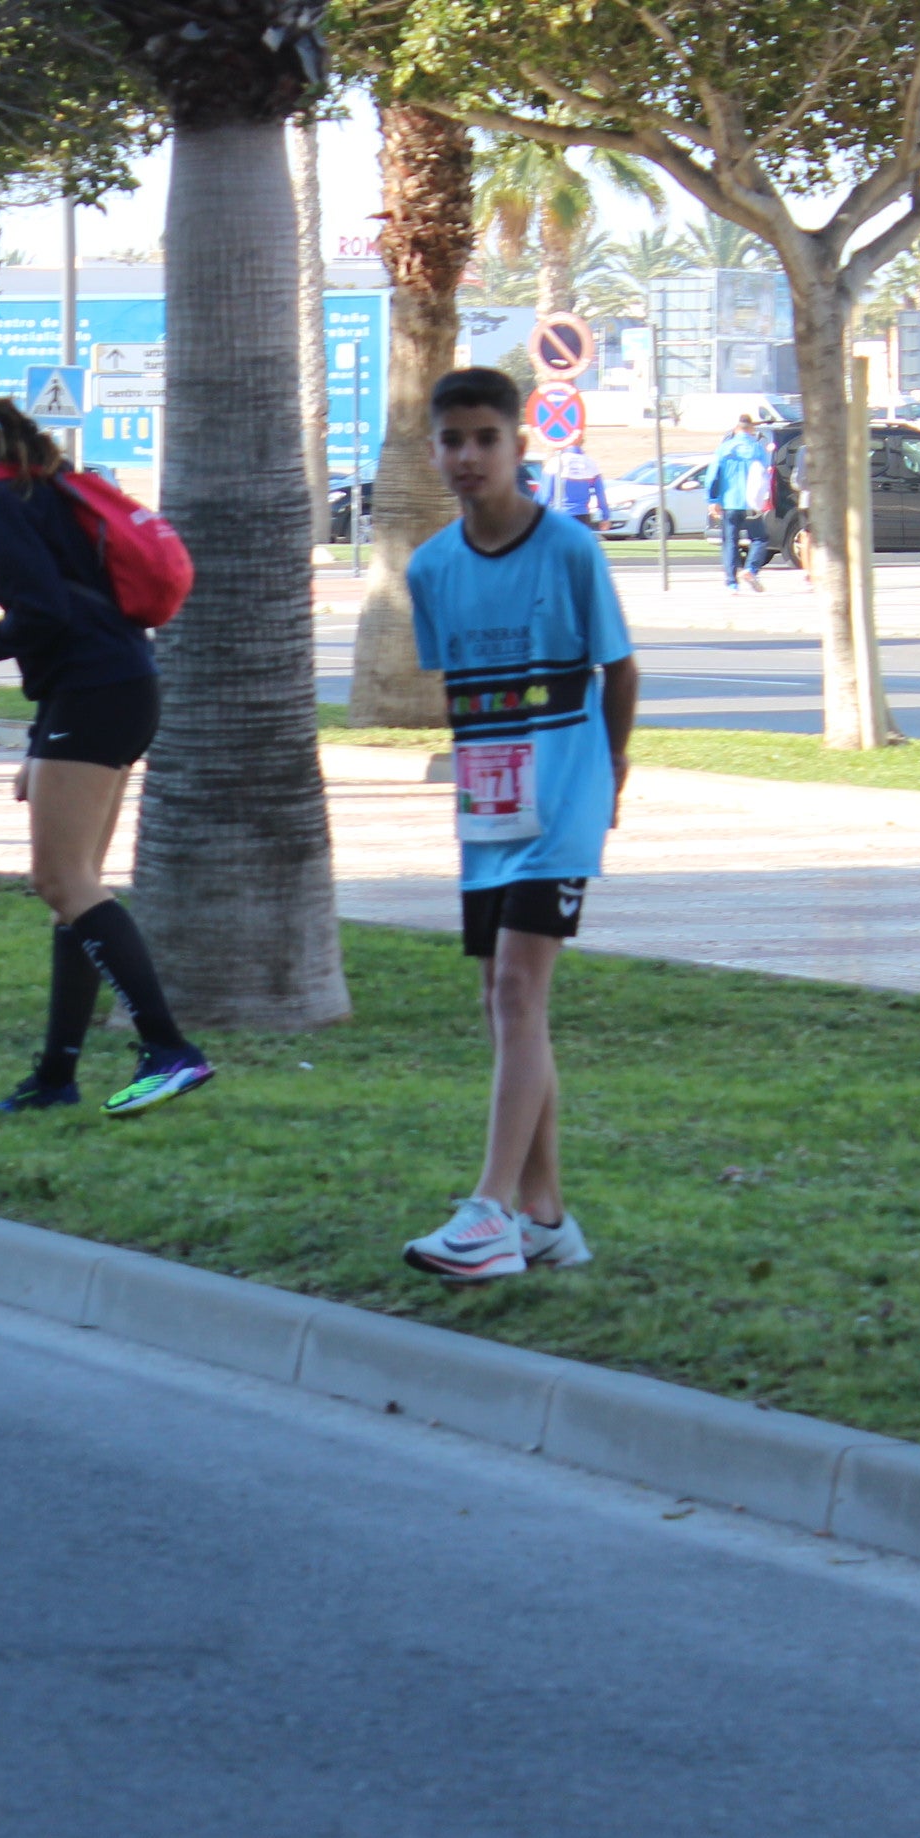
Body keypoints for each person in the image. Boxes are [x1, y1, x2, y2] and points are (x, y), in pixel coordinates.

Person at [0, 362, 213, 1119]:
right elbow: (73, 606)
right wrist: (41, 743)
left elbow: (42, 613)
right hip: (114, 684)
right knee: (72, 892)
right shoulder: (19, 477)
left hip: (97, 689)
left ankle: (168, 1047)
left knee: (63, 880)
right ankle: (55, 1075)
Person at [397, 368, 637, 1285]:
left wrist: (609, 774)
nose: (467, 457)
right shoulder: (429, 570)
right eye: (451, 440)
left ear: (518, 445)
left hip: (566, 803)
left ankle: (489, 1211)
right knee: (505, 1004)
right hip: (489, 811)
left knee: (515, 992)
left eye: (485, 439)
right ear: (434, 450)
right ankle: (545, 1215)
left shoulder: (571, 550)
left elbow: (618, 671)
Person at [703, 414, 777, 593]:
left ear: (736, 429)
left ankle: (731, 583)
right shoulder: (757, 449)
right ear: (751, 429)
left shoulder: (724, 448)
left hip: (729, 502)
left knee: (730, 541)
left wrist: (713, 500)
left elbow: (712, 476)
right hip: (751, 503)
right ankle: (751, 569)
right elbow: (764, 475)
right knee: (759, 538)